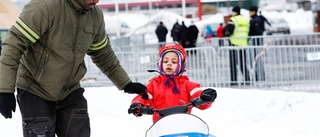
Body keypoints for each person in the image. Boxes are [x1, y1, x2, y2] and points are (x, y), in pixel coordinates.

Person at [0, 0, 148, 137]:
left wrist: (125, 83)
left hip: (69, 90)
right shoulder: (44, 7)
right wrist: (4, 90)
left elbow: (103, 54)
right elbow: (13, 46)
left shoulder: (94, 16)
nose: (96, 1)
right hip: (35, 89)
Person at [127, 43, 217, 123]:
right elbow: (143, 97)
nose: (169, 64)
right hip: (160, 129)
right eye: (165, 61)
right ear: (160, 63)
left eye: (174, 62)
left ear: (182, 65)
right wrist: (137, 105)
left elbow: (198, 96)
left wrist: (206, 96)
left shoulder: (188, 85)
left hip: (184, 129)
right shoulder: (153, 85)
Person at [223, 6, 250, 85]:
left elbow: (228, 30)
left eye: (232, 12)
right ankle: (247, 79)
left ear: (235, 12)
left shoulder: (233, 19)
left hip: (234, 44)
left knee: (233, 63)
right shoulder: (245, 20)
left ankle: (234, 80)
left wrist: (226, 33)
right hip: (243, 44)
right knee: (243, 63)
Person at [249, 6, 266, 81]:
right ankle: (258, 75)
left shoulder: (256, 20)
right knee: (255, 60)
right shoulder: (255, 19)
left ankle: (260, 76)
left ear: (254, 11)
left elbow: (257, 31)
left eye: (250, 11)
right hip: (255, 42)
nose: (249, 13)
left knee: (257, 59)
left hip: (257, 43)